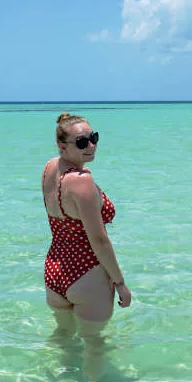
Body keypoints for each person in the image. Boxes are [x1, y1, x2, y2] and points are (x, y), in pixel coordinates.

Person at [41, 113, 131, 350]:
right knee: (95, 347)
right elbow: (99, 240)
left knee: (63, 337)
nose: (91, 146)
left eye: (94, 138)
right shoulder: (81, 182)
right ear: (63, 147)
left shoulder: (51, 167)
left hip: (55, 270)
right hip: (86, 274)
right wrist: (120, 283)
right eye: (82, 142)